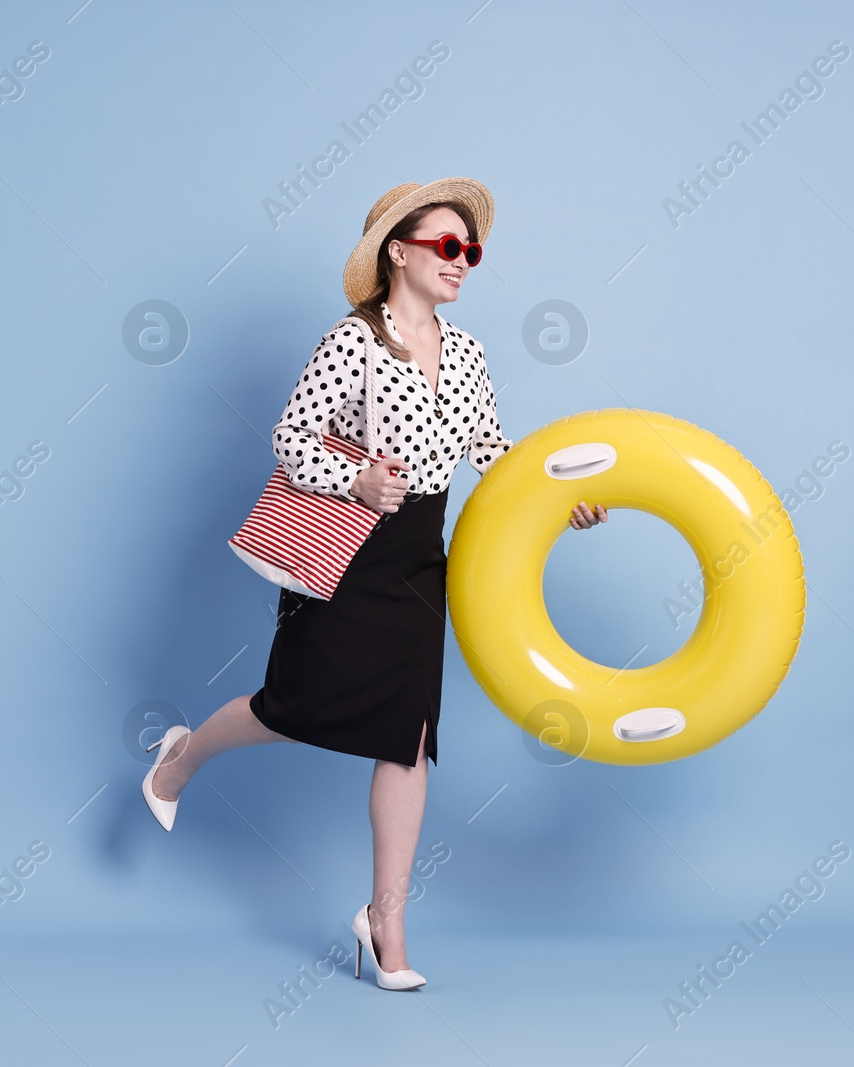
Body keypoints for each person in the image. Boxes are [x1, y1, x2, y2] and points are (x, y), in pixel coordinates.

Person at [141, 178, 607, 990]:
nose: (463, 262)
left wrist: (560, 502)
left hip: (422, 560)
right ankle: (178, 759)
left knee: (409, 736)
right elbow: (291, 438)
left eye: (472, 251)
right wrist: (354, 480)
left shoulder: (467, 351)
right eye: (447, 246)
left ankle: (384, 919)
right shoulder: (351, 342)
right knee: (289, 709)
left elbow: (493, 450)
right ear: (400, 250)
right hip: (346, 552)